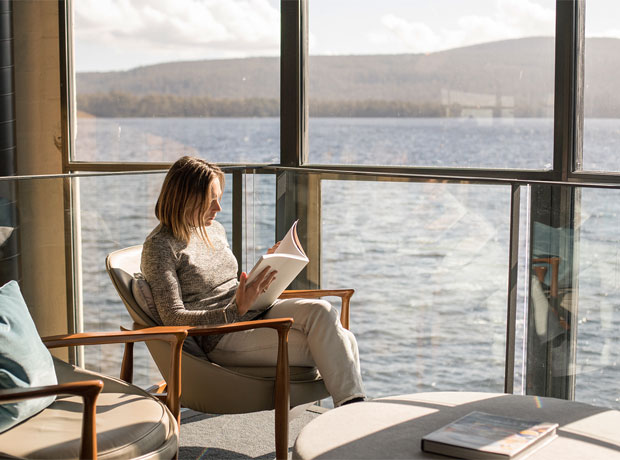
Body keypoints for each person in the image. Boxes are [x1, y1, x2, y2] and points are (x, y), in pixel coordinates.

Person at [141, 156, 365, 407]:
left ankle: (349, 412)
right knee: (343, 341)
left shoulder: (213, 229)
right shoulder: (159, 247)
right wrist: (233, 311)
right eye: (210, 200)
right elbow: (173, 317)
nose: (219, 208)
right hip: (221, 336)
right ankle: (351, 413)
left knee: (322, 310)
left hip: (252, 311)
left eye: (220, 198)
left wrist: (265, 270)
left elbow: (226, 284)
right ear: (185, 198)